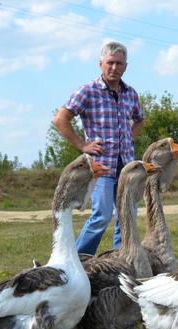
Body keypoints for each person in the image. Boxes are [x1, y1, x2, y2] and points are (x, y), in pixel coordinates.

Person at [54, 42, 144, 255]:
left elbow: (139, 119)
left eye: (119, 63)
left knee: (127, 214)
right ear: (100, 64)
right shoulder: (88, 91)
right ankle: (78, 260)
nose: (114, 67)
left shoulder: (130, 93)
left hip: (126, 166)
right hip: (101, 166)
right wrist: (83, 145)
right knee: (101, 215)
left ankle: (121, 259)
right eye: (110, 63)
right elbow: (60, 120)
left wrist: (129, 137)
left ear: (126, 66)